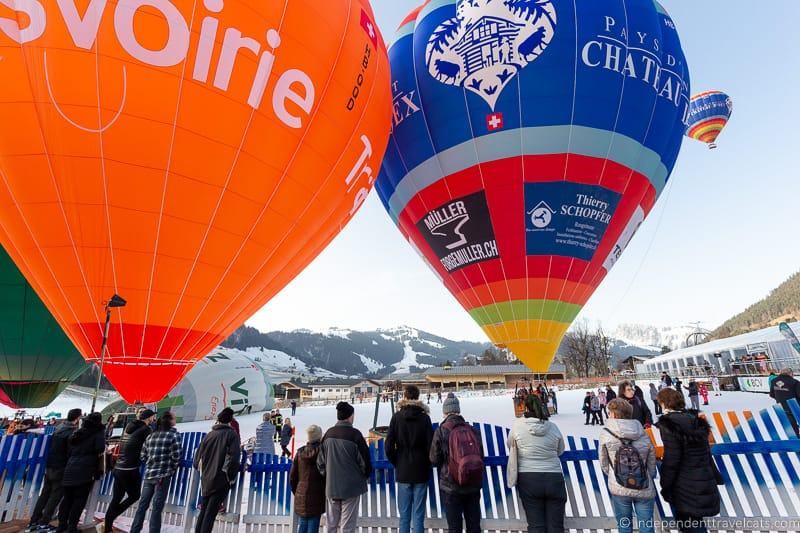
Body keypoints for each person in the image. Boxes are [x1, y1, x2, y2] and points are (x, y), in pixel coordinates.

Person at [656, 388, 722, 533]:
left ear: (664, 404)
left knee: (689, 524)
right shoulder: (696, 421)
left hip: (684, 483)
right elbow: (705, 452)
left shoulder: (669, 424)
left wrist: (665, 484)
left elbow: (672, 459)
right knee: (696, 522)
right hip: (702, 477)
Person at [507, 394, 566, 533]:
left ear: (525, 407)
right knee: (556, 526)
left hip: (529, 478)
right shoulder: (553, 427)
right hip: (554, 477)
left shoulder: (517, 426)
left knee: (536, 526)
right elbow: (561, 449)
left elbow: (510, 445)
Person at [600, 399, 657, 533]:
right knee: (647, 526)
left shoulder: (606, 433)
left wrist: (614, 475)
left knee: (624, 525)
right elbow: (651, 459)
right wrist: (648, 475)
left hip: (619, 485)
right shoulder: (642, 433)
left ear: (614, 414)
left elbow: (603, 461)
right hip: (643, 484)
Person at [430, 393, 484, 533]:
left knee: (454, 527)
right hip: (472, 483)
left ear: (445, 412)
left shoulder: (441, 431)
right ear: (458, 410)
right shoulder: (472, 429)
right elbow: (481, 455)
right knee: (474, 526)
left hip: (451, 487)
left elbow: (434, 459)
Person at [317, 402, 371, 533]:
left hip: (331, 487)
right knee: (347, 526)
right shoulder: (355, 435)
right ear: (350, 416)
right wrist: (363, 476)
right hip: (350, 488)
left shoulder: (328, 434)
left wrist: (329, 476)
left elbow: (320, 462)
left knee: (331, 525)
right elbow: (365, 463)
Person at [386, 385, 433, 533]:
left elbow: (388, 446)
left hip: (403, 471)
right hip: (420, 471)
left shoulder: (396, 417)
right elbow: (430, 446)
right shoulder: (425, 418)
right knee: (418, 515)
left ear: (404, 397)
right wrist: (426, 462)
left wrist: (398, 461)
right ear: (418, 397)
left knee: (404, 516)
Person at [27, 409, 82, 532]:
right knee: (55, 496)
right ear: (77, 418)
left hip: (50, 465)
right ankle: (44, 522)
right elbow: (70, 451)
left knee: (45, 494)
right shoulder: (72, 432)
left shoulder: (58, 428)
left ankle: (34, 520)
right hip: (61, 467)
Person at [104, 409, 156, 532]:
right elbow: (150, 446)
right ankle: (112, 515)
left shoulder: (129, 426)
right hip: (130, 469)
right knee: (135, 495)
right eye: (153, 418)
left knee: (116, 498)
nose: (153, 420)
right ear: (149, 418)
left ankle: (107, 526)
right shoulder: (146, 430)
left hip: (118, 468)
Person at [130, 412, 182, 533]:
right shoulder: (174, 435)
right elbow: (177, 456)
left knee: (142, 506)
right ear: (170, 421)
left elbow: (143, 456)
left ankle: (134, 530)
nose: (175, 419)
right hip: (163, 476)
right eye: (174, 417)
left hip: (149, 474)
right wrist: (171, 469)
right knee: (157, 508)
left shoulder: (151, 436)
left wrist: (152, 461)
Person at [193, 409, 241, 533]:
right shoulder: (231, 435)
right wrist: (230, 477)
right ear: (230, 420)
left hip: (206, 478)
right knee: (210, 514)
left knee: (204, 512)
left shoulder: (210, 434)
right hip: (221, 478)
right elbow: (234, 458)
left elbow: (197, 458)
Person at [57, 412, 105, 533]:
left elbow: (69, 449)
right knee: (79, 500)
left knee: (67, 499)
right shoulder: (97, 433)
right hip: (85, 470)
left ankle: (61, 525)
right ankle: (72, 527)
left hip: (70, 467)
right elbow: (100, 448)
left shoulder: (78, 432)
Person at [290, 425, 326, 533]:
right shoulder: (322, 452)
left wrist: (297, 491)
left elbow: (293, 476)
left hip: (302, 493)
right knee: (313, 527)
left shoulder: (300, 453)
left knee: (302, 526)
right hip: (317, 494)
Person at [769, 368, 800, 436]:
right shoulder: (794, 382)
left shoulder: (774, 381)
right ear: (790, 373)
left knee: (789, 421)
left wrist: (781, 399)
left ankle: (795, 436)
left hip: (781, 405)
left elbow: (771, 394)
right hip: (794, 405)